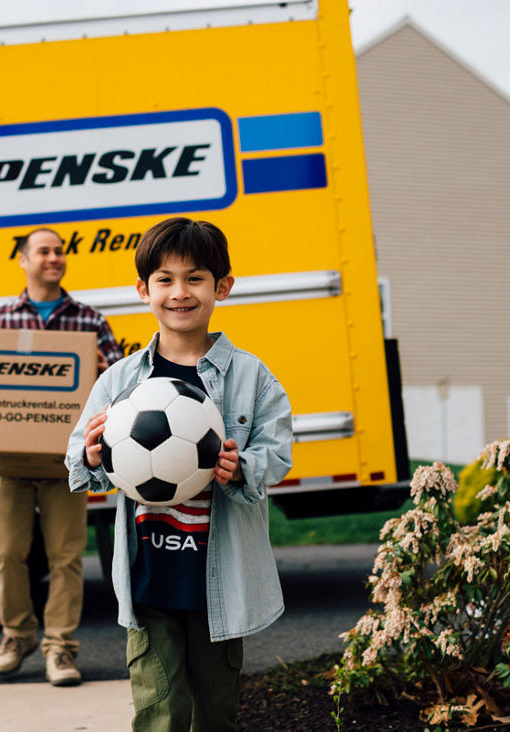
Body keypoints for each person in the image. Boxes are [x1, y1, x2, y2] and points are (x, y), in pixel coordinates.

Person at [65, 217, 293, 730]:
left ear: (222, 287)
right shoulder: (120, 380)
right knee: (160, 712)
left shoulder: (252, 377)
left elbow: (276, 452)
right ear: (144, 289)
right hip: (150, 579)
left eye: (195, 278)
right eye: (165, 279)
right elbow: (79, 455)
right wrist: (95, 457)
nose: (180, 292)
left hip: (218, 579)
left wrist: (242, 469)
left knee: (216, 712)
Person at [0, 226, 123, 687]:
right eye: (44, 252)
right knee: (5, 552)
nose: (54, 258)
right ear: (23, 260)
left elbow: (118, 383)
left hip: (68, 460)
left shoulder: (90, 320)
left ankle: (60, 648)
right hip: (9, 460)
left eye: (59, 252)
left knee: (66, 557)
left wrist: (105, 371)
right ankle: (16, 637)